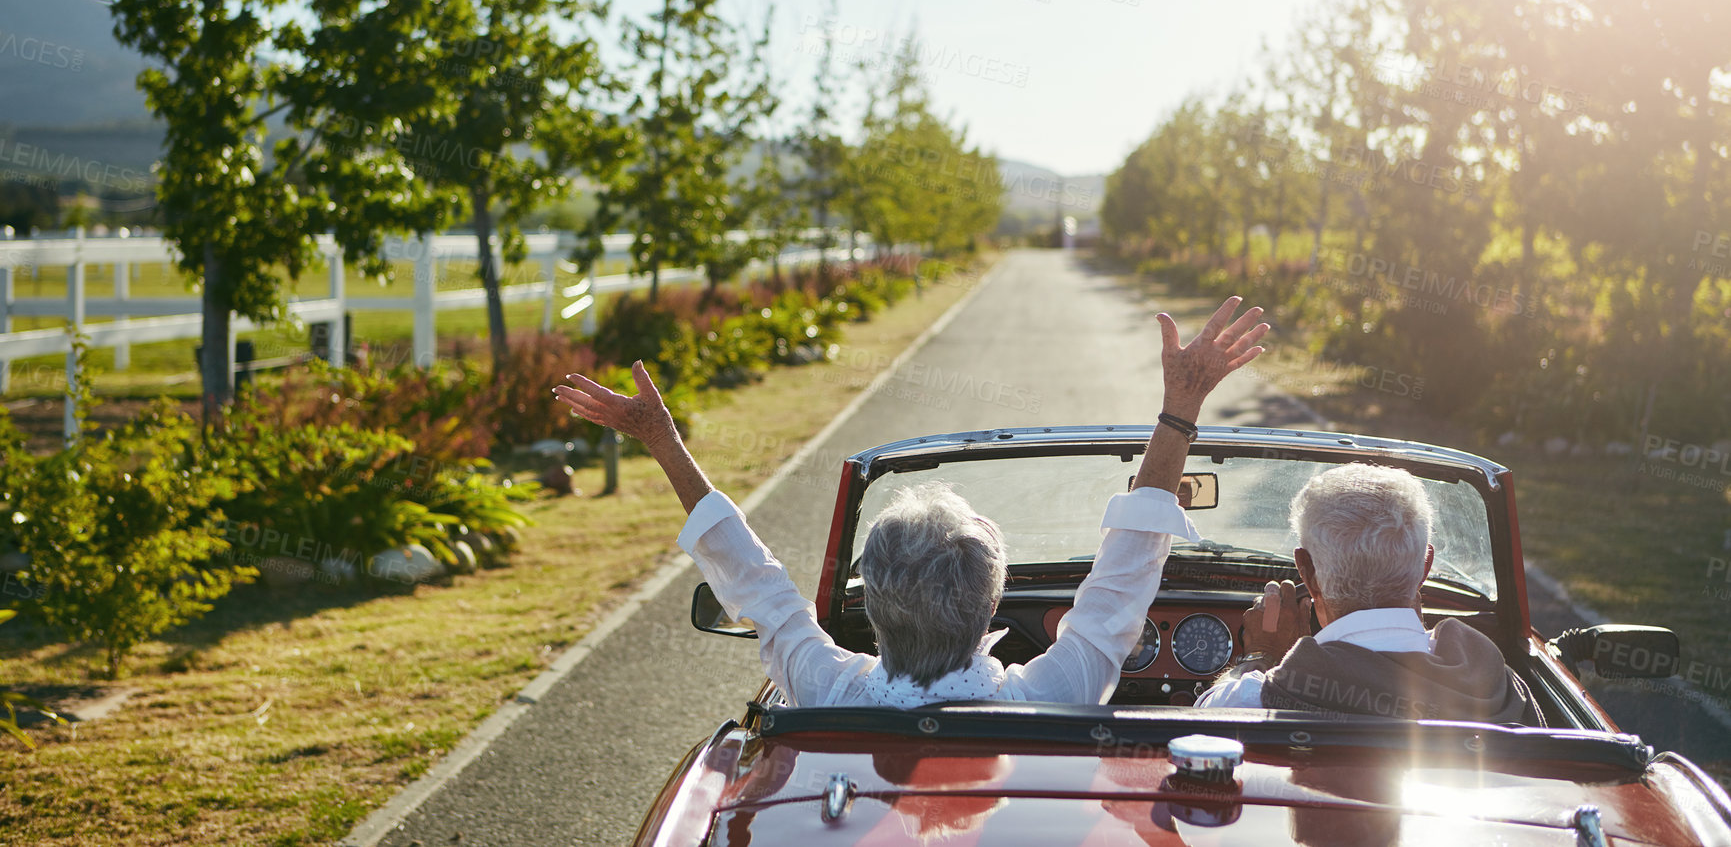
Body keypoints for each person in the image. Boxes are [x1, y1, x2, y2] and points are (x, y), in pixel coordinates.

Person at [553, 296, 1269, 708]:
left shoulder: (828, 687)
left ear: (879, 611)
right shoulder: (1050, 691)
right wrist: (1180, 406)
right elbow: (1128, 569)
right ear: (991, 607)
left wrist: (661, 438)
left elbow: (754, 581)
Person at [1195, 462, 1538, 723]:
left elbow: (1201, 723)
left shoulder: (1262, 698)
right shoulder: (1501, 687)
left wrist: (1262, 655)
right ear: (1424, 567)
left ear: (1307, 572)